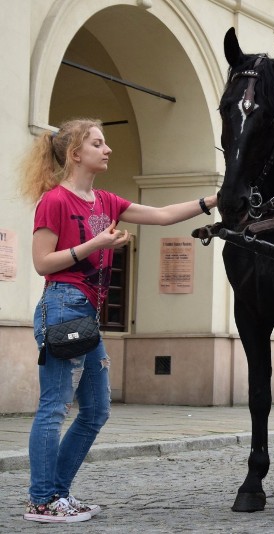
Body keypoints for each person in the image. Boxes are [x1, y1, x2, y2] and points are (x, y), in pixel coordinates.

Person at [19, 118, 217, 523]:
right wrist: (97, 243)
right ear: (76, 154)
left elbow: (162, 215)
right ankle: (42, 500)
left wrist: (213, 201)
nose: (106, 149)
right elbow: (42, 263)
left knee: (95, 410)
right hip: (62, 306)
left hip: (86, 315)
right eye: (98, 143)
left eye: (105, 142)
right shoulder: (55, 200)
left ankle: (57, 494)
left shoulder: (106, 200)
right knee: (54, 407)